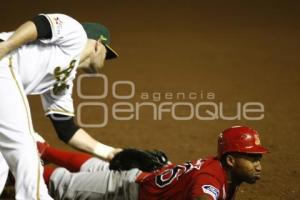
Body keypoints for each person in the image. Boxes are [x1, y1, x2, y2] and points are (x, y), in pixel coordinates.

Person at [0, 13, 120, 199]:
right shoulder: (76, 33)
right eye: (107, 53)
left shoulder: (64, 79)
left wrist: (111, 153)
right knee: (24, 147)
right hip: (3, 63)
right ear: (98, 45)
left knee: (2, 159)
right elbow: (40, 25)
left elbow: (66, 129)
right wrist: (5, 47)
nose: (106, 59)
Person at [34, 126, 268, 200]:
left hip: (148, 174)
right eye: (252, 158)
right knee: (62, 184)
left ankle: (44, 149)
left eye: (258, 158)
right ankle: (16, 166)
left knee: (99, 167)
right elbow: (201, 195)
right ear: (230, 159)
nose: (258, 165)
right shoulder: (211, 179)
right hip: (127, 189)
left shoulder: (219, 168)